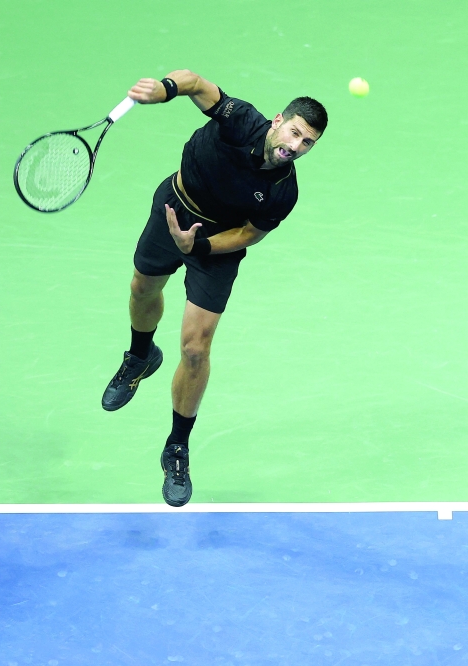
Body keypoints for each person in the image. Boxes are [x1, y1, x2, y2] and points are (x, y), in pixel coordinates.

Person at [100, 70, 328, 507]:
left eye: (307, 143)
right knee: (142, 289)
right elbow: (196, 83)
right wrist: (164, 90)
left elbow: (248, 234)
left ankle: (177, 446)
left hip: (216, 245)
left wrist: (200, 245)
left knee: (195, 349)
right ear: (278, 120)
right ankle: (140, 356)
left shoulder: (283, 191)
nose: (296, 146)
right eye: (295, 132)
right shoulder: (240, 120)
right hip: (174, 208)